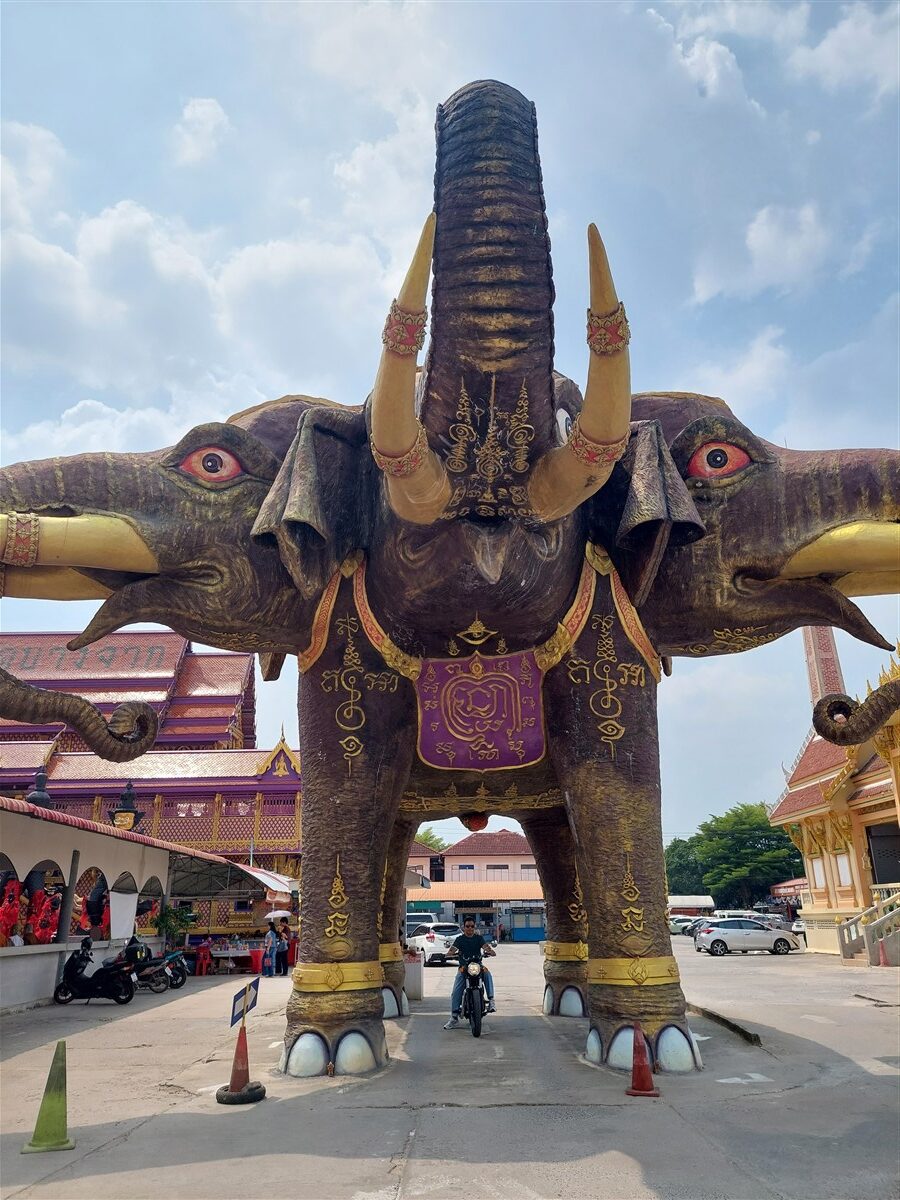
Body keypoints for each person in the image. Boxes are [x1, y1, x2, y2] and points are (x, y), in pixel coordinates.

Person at [443, 917, 496, 1029]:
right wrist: (449, 953)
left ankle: (491, 1000)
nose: (470, 928)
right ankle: (454, 1017)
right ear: (464, 927)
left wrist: (490, 951)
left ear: (474, 927)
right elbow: (452, 949)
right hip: (464, 967)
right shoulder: (460, 939)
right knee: (456, 991)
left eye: (472, 926)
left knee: (487, 972)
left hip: (477, 966)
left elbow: (485, 947)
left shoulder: (478, 938)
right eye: (467, 926)